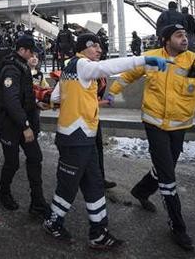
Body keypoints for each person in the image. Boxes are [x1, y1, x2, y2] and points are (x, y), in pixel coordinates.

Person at [108, 24, 195, 251]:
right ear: (166, 40)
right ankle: (178, 227)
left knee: (166, 166)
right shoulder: (151, 57)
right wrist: (113, 92)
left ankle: (141, 190)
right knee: (167, 175)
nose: (185, 39)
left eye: (186, 35)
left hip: (179, 124)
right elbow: (128, 75)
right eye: (179, 35)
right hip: (153, 122)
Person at [43, 33, 170, 250]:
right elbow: (109, 67)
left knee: (94, 184)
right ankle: (53, 221)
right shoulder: (82, 64)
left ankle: (98, 232)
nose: (99, 50)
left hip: (82, 136)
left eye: (100, 47)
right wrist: (143, 59)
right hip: (76, 137)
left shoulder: (68, 69)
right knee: (68, 185)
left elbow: (56, 98)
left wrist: (92, 100)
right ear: (83, 48)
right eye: (95, 46)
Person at [0, 36, 50, 216]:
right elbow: (11, 101)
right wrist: (25, 127)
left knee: (35, 157)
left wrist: (35, 104)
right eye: (31, 51)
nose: (33, 55)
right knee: (12, 162)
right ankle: (4, 192)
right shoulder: (11, 68)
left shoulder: (22, 65)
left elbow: (24, 95)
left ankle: (37, 202)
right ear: (23, 50)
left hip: (23, 120)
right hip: (9, 124)